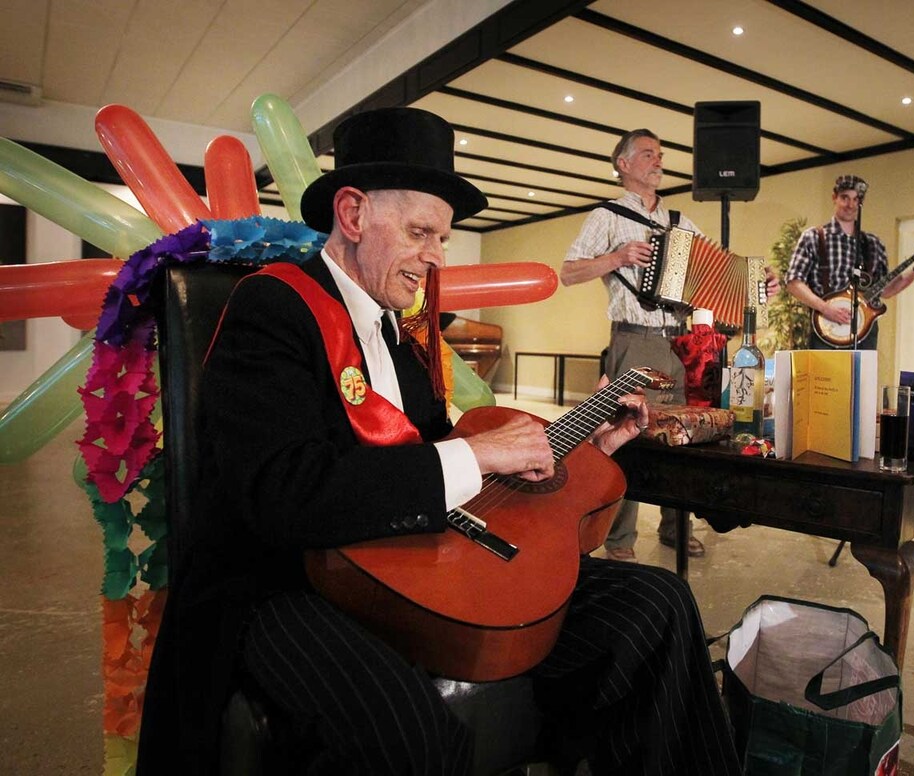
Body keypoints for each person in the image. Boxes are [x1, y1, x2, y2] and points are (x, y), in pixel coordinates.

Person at [138, 108, 740, 775]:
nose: (436, 259)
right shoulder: (272, 308)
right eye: (420, 232)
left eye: (443, 238)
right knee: (407, 731)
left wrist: (582, 445)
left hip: (416, 563)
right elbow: (282, 494)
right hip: (286, 580)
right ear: (353, 213)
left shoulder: (402, 333)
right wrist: (479, 453)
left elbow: (441, 465)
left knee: (658, 605)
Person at [561, 128, 778, 562]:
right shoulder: (607, 216)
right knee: (627, 439)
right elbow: (568, 272)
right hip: (635, 339)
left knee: (683, 437)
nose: (657, 160)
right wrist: (617, 257)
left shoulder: (680, 223)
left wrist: (756, 286)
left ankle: (676, 529)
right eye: (647, 154)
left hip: (682, 343)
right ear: (623, 164)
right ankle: (620, 539)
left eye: (659, 154)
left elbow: (714, 278)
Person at [785, 174, 914, 350]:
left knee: (863, 370)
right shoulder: (814, 237)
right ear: (834, 198)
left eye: (855, 199)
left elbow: (886, 290)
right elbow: (793, 282)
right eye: (845, 198)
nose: (850, 205)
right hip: (826, 331)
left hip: (865, 333)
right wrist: (825, 308)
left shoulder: (873, 243)